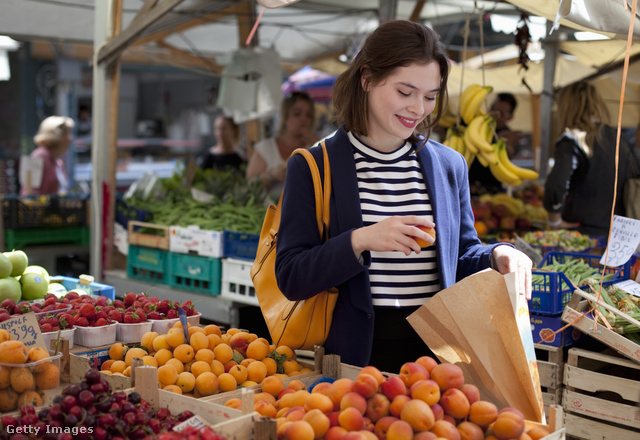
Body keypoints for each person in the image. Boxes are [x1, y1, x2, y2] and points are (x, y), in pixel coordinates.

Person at [274, 20, 533, 371]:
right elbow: (291, 276)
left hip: (438, 356)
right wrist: (361, 240)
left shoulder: (449, 165)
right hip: (354, 359)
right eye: (405, 92)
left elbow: (461, 254)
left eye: (430, 96)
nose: (418, 109)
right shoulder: (313, 166)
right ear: (366, 79)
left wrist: (497, 255)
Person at [544, 81, 640, 236]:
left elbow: (556, 185)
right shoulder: (618, 138)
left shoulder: (572, 139)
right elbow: (635, 176)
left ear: (566, 107)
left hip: (579, 234)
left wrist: (554, 219)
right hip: (616, 233)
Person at [246, 91, 318, 200]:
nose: (304, 119)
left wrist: (316, 143)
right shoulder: (266, 148)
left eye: (308, 115)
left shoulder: (314, 147)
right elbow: (249, 185)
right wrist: (272, 175)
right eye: (297, 114)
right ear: (285, 117)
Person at [468, 93, 523, 195]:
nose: (493, 113)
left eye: (500, 113)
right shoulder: (473, 127)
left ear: (509, 117)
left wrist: (501, 142)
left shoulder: (508, 135)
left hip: (492, 192)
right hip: (466, 186)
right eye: (492, 108)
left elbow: (510, 151)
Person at [20, 116, 74, 196]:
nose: (70, 138)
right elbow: (29, 193)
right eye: (67, 134)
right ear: (56, 136)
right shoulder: (40, 156)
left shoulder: (58, 162)